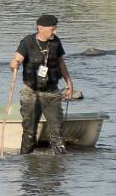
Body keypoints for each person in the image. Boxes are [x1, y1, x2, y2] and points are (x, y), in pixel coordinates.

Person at [10, 13, 74, 154]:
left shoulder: (56, 42)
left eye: (55, 28)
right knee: (30, 132)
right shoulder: (27, 42)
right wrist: (14, 64)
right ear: (41, 28)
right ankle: (25, 160)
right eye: (53, 29)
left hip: (52, 93)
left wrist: (69, 83)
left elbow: (61, 62)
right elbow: (17, 59)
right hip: (31, 93)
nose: (55, 32)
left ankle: (59, 163)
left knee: (57, 132)